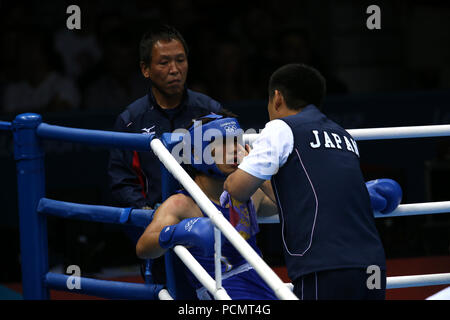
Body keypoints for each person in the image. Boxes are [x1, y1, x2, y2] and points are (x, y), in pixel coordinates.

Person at [224, 63, 402, 300]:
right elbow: (303, 197)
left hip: (323, 264)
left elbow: (238, 189)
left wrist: (245, 164)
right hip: (371, 263)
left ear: (277, 98)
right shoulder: (343, 135)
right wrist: (265, 181)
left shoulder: (281, 128)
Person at [108, 24, 222, 282]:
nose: (174, 70)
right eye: (164, 62)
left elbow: (232, 166)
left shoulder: (210, 111)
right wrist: (148, 212)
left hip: (209, 226)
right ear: (145, 69)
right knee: (163, 292)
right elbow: (121, 180)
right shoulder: (130, 120)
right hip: (158, 228)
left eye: (180, 60)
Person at [136, 112, 278, 300]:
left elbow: (289, 207)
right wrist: (179, 231)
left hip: (264, 283)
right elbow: (143, 248)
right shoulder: (183, 204)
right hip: (219, 291)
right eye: (223, 143)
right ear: (196, 152)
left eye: (237, 141)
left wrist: (258, 172)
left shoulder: (249, 194)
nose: (234, 149)